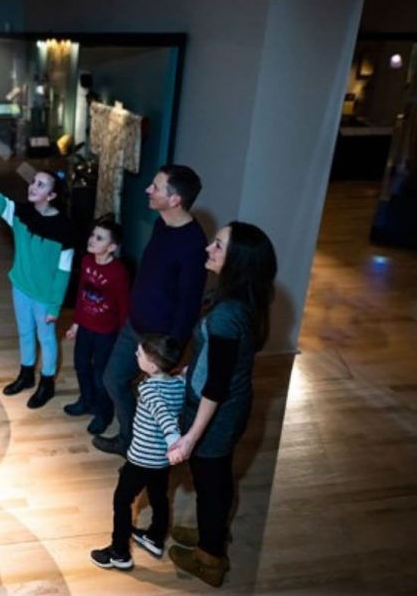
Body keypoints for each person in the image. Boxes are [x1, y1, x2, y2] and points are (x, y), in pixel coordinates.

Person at [166, 221, 277, 587]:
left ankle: (210, 557)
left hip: (217, 414)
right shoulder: (236, 299)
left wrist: (190, 438)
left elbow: (216, 385)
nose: (208, 250)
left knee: (212, 483)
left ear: (238, 262)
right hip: (221, 405)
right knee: (213, 480)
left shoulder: (228, 315)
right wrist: (188, 370)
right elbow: (213, 360)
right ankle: (209, 534)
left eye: (218, 246)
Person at [93, 165, 207, 455]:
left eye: (156, 187)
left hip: (157, 338)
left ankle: (136, 446)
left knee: (153, 400)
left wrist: (172, 351)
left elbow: (189, 303)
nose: (148, 189)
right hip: (134, 325)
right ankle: (128, 438)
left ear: (175, 200)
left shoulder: (194, 244)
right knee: (113, 378)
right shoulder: (160, 224)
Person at [0, 160, 73, 408]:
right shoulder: (21, 212)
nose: (33, 186)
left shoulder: (65, 229)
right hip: (19, 286)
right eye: (33, 182)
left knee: (47, 339)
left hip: (44, 297)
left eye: (41, 185)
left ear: (51, 195)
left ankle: (47, 383)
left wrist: (54, 306)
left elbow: (64, 272)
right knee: (25, 333)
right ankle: (26, 374)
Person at [90, 333, 186, 571]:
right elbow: (182, 385)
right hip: (161, 461)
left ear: (152, 366)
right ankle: (155, 537)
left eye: (140, 354)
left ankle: (119, 552)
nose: (135, 355)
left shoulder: (150, 390)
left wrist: (174, 439)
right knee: (159, 497)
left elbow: (164, 417)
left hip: (141, 459)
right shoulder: (178, 384)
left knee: (122, 500)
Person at [64, 214, 130, 434]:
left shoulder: (118, 272)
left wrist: (122, 336)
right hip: (85, 328)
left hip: (106, 333)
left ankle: (104, 413)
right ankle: (86, 401)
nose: (92, 240)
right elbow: (82, 294)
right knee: (81, 366)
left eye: (99, 238)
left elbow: (124, 306)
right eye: (93, 235)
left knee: (100, 374)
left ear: (112, 247)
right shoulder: (86, 261)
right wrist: (76, 323)